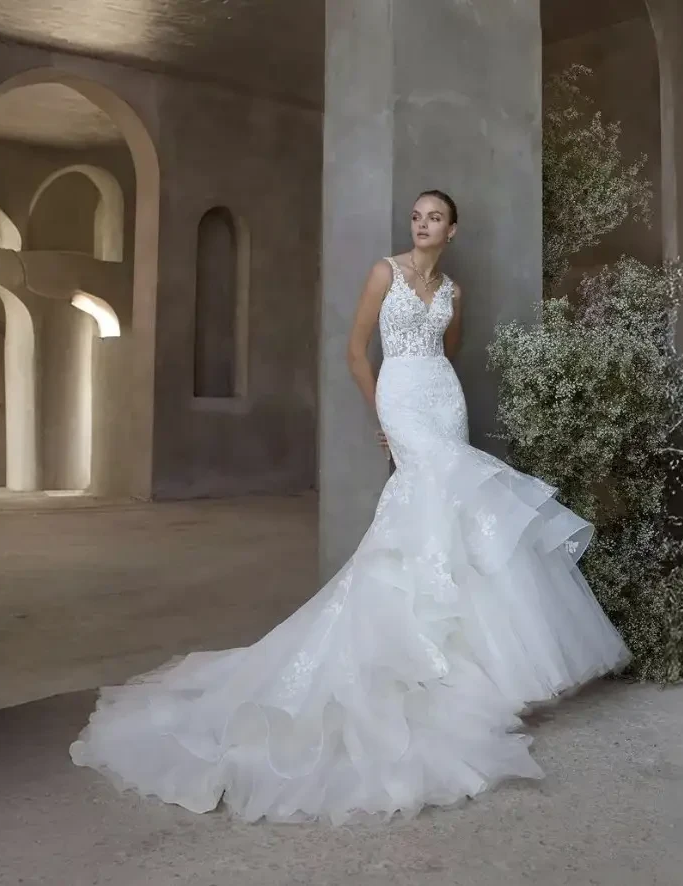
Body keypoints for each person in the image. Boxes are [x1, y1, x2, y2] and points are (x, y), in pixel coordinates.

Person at [69, 190, 631, 824]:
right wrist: (383, 412)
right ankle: (417, 652)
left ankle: (468, 665)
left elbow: (448, 350)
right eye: (416, 217)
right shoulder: (382, 273)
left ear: (453, 229)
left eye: (434, 218)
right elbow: (355, 351)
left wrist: (433, 386)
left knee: (452, 511)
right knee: (445, 490)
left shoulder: (453, 291)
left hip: (443, 398)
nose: (422, 226)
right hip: (400, 397)